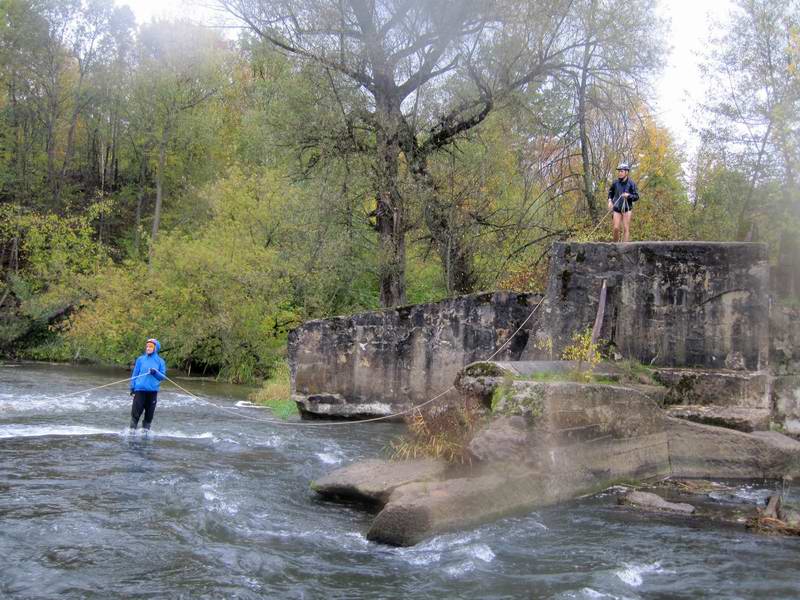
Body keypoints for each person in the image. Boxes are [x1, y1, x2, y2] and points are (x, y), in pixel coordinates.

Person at [129, 338, 166, 432]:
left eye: (151, 347)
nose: (148, 348)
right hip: (139, 390)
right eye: (147, 346)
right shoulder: (140, 359)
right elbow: (135, 374)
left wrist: (155, 373)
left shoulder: (160, 361)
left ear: (155, 348)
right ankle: (132, 432)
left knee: (149, 416)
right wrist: (132, 388)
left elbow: (162, 377)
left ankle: (145, 434)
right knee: (135, 414)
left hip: (153, 392)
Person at [607, 162, 639, 242]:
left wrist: (628, 196)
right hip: (617, 208)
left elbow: (636, 197)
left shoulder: (632, 183)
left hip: (627, 209)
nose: (620, 173)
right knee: (616, 228)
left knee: (625, 228)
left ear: (626, 172)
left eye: (621, 171)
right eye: (619, 171)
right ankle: (615, 247)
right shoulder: (615, 183)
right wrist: (610, 201)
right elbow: (610, 193)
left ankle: (624, 248)